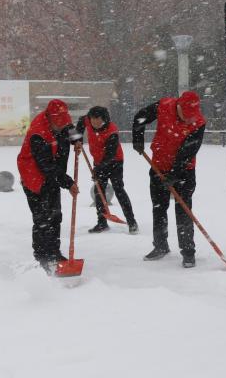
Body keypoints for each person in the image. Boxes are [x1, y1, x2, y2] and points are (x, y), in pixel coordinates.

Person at [132, 90, 206, 268]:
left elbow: (188, 152)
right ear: (178, 105)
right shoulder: (164, 106)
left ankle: (188, 252)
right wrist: (138, 138)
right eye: (185, 115)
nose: (188, 120)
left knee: (183, 210)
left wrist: (175, 174)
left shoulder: (199, 123)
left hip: (184, 172)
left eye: (191, 116)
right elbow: (140, 117)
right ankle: (160, 246)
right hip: (158, 167)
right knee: (159, 208)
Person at [17, 99, 79, 272]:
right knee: (43, 219)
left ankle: (54, 252)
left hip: (52, 176)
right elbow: (46, 166)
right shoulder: (39, 134)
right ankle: (42, 256)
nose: (62, 126)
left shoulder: (61, 122)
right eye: (58, 123)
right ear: (51, 119)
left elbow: (70, 128)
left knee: (56, 215)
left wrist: (77, 140)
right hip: (34, 177)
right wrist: (68, 183)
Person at [77, 106, 138, 235]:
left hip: (115, 161)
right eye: (92, 120)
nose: (94, 123)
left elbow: (110, 154)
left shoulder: (112, 131)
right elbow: (79, 124)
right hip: (98, 161)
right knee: (98, 191)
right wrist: (78, 139)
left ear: (104, 119)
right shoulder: (87, 120)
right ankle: (102, 222)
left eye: (97, 120)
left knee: (118, 189)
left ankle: (132, 222)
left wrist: (98, 170)